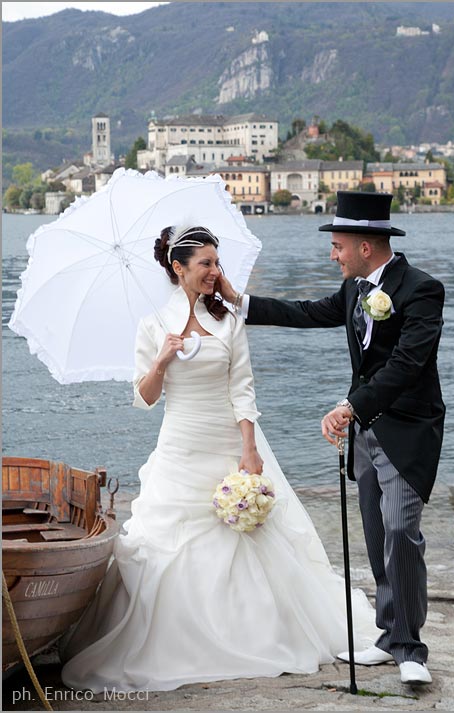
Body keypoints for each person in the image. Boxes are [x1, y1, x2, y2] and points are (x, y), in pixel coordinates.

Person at [61, 223, 378, 693]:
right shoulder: (152, 326)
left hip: (228, 440)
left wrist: (249, 448)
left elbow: (242, 387)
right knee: (168, 540)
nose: (213, 272)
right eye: (204, 264)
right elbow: (145, 398)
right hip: (180, 442)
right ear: (178, 268)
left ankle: (253, 630)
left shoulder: (228, 321)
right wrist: (161, 362)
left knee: (250, 535)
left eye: (216, 263)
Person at [219, 191, 445, 686]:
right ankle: (388, 636)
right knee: (375, 532)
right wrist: (239, 301)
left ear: (366, 246)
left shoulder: (423, 291)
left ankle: (411, 648)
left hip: (407, 432)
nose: (333, 254)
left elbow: (408, 365)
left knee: (402, 534)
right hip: (364, 434)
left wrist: (349, 407)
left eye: (338, 245)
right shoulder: (355, 291)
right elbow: (306, 312)